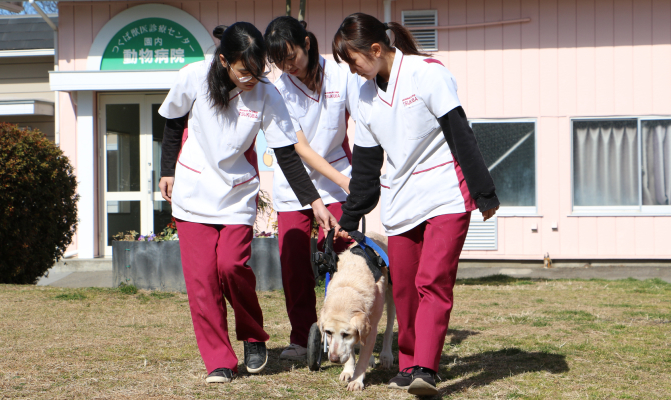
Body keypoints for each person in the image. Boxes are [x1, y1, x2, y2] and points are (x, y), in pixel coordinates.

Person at [157, 22, 339, 384]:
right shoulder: (193, 76)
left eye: (258, 71)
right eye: (244, 71)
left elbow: (287, 153)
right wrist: (167, 171)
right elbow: (173, 123)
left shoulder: (266, 93)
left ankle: (253, 336)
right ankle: (219, 361)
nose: (251, 78)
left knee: (230, 267)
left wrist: (314, 201)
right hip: (193, 188)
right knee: (202, 281)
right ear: (225, 61)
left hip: (237, 190)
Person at [332, 13, 499, 396]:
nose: (353, 71)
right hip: (401, 197)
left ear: (376, 49)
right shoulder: (363, 95)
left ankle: (426, 366)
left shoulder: (427, 74)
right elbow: (367, 164)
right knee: (404, 287)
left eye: (354, 60)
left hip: (446, 192)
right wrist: (350, 216)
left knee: (432, 281)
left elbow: (460, 131)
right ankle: (407, 366)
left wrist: (483, 191)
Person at [263, 16, 361, 361]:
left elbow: (361, 123)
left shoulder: (341, 74)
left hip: (338, 176)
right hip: (295, 185)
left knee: (342, 257)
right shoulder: (278, 89)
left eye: (291, 56)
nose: (288, 67)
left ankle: (343, 334)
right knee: (294, 264)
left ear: (307, 42)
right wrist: (342, 182)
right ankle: (302, 338)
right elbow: (299, 148)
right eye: (279, 62)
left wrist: (353, 180)